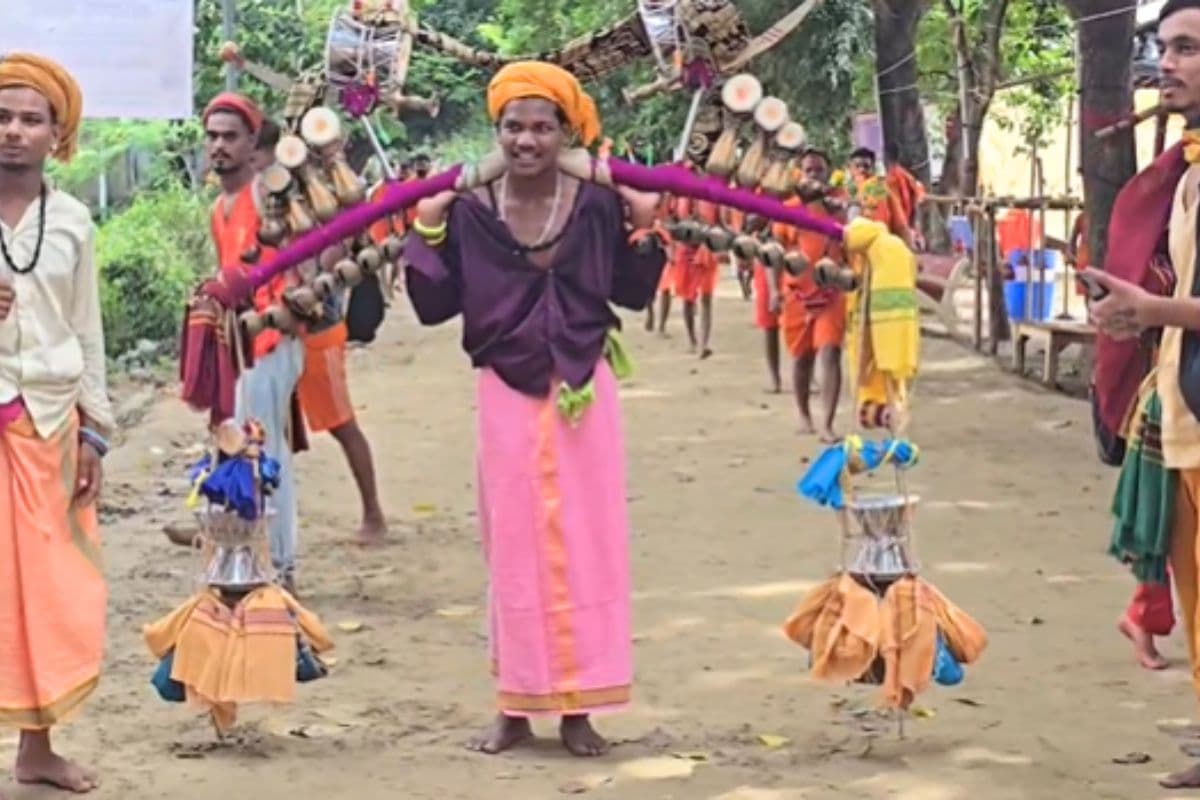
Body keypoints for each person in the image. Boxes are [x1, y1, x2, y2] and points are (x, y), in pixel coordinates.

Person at [403, 61, 663, 758]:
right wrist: (426, 231)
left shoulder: (597, 202)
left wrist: (643, 227)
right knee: (512, 548)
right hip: (506, 391)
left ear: (565, 133)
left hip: (584, 386)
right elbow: (432, 306)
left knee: (591, 544)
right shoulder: (466, 209)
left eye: (542, 127)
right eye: (513, 127)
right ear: (496, 132)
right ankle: (514, 706)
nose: (527, 141)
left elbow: (632, 294)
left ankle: (579, 709)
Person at [1086, 0, 1200, 787]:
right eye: (1164, 46)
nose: (1170, 62)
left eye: (1189, 48)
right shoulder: (1187, 172)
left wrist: (1151, 311)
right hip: (1186, 404)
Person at [0, 51, 112, 794]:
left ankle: (36, 749)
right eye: (2, 116)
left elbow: (87, 327)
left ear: (57, 135)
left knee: (49, 590)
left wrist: (96, 430)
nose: (12, 131)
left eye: (30, 119)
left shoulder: (71, 221)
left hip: (48, 422)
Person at [204, 92, 306, 595]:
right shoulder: (218, 206)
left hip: (270, 338)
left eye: (230, 137)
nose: (219, 146)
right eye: (213, 137)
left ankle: (281, 566)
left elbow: (302, 262)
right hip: (238, 344)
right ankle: (249, 554)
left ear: (252, 144)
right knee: (240, 449)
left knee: (267, 453)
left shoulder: (269, 196)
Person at [770, 149, 847, 440]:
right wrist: (774, 290)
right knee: (802, 358)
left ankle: (826, 423)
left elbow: (853, 250)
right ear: (799, 174)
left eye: (819, 170)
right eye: (808, 170)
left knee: (830, 352)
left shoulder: (839, 211)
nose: (813, 175)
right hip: (796, 296)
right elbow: (774, 253)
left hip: (832, 295)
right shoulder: (787, 210)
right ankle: (804, 415)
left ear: (828, 174)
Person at [672, 193, 720, 358]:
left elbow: (720, 224)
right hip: (684, 251)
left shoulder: (712, 199)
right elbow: (670, 220)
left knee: (706, 298)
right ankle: (692, 339)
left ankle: (704, 344)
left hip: (706, 250)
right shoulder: (679, 197)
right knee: (687, 298)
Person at [848, 147, 911, 245]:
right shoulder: (846, 190)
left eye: (866, 166)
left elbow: (897, 225)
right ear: (850, 169)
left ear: (873, 169)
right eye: (857, 166)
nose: (862, 170)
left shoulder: (876, 186)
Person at [883, 141, 926, 250]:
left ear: (886, 156)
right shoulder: (904, 174)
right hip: (906, 218)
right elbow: (919, 191)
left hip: (899, 220)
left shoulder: (892, 177)